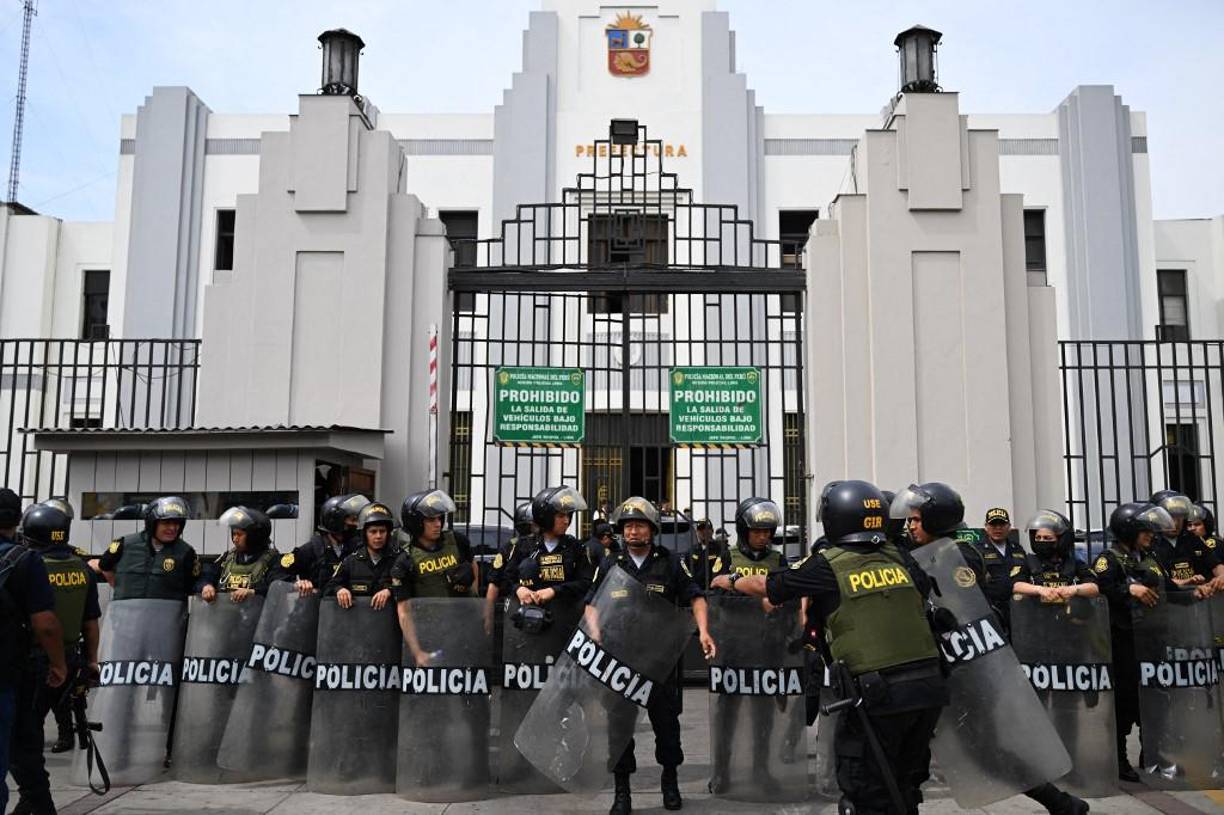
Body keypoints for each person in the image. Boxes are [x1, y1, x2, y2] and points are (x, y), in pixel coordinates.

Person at [714, 480, 947, 815]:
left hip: (878, 694)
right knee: (905, 784)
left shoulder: (829, 563)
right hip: (929, 689)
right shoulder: (900, 556)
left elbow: (768, 586)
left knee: (864, 792)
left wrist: (732, 580)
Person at [896, 484, 1089, 814]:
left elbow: (958, 605)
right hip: (938, 668)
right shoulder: (928, 553)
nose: (910, 526)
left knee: (987, 752)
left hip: (965, 672)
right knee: (914, 755)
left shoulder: (958, 555)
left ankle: (1061, 803)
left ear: (935, 519)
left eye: (916, 519)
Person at [590, 496, 715, 814]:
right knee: (619, 729)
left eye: (639, 525)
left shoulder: (670, 562)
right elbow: (592, 604)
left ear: (652, 529)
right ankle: (622, 792)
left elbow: (696, 597)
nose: (633, 531)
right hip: (620, 661)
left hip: (661, 662)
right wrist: (594, 632)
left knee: (667, 727)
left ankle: (670, 783)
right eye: (628, 526)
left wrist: (703, 631)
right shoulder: (611, 563)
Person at [9, 502, 100, 815]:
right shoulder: (83, 569)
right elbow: (91, 622)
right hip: (72, 660)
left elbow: (43, 624)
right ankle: (30, 802)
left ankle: (39, 802)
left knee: (24, 738)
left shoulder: (31, 566)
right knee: (31, 734)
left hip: (38, 661)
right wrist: (92, 661)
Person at [708, 497, 790, 795]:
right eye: (757, 531)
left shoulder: (778, 560)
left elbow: (786, 596)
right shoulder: (728, 557)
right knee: (727, 713)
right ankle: (722, 772)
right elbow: (714, 593)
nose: (763, 536)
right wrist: (756, 598)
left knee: (763, 714)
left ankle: (761, 770)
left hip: (766, 647)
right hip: (734, 645)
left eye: (767, 531)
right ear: (744, 531)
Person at [1094, 502, 1174, 782]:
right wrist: (1130, 589)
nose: (1151, 535)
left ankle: (1152, 752)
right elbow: (1102, 588)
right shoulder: (1109, 558)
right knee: (1125, 700)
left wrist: (1196, 590)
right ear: (1128, 531)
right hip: (1123, 640)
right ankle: (1118, 759)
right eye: (1145, 530)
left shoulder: (1150, 556)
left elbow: (1168, 586)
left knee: (1154, 698)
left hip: (1152, 638)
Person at [0, 489, 66, 815]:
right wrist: (59, 664)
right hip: (6, 674)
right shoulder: (24, 560)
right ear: (17, 520)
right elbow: (46, 624)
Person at [93, 496, 199, 601]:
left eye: (177, 523)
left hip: (167, 611)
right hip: (126, 611)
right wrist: (119, 588)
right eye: (166, 523)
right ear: (152, 523)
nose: (172, 528)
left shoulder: (186, 552)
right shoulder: (124, 544)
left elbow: (194, 583)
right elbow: (104, 565)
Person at [273, 493, 369, 596]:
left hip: (348, 604)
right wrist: (297, 584)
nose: (357, 524)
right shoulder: (311, 549)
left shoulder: (358, 547)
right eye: (353, 520)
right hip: (315, 604)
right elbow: (277, 572)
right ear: (336, 522)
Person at [514, 487, 592, 610]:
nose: (566, 521)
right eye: (561, 516)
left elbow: (585, 582)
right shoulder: (524, 545)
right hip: (530, 614)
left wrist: (554, 591)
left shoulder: (575, 547)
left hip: (565, 614)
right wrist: (519, 589)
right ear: (546, 517)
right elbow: (507, 578)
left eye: (568, 515)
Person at [392, 489, 476, 598]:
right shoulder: (407, 558)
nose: (438, 524)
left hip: (460, 608)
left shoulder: (457, 540)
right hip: (427, 609)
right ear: (416, 522)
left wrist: (474, 594)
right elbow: (404, 604)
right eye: (431, 520)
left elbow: (473, 563)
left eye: (439, 518)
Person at [325, 502, 400, 610]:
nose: (378, 536)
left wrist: (390, 591)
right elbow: (329, 587)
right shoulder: (350, 562)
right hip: (359, 618)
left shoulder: (398, 559)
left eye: (382, 531)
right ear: (364, 534)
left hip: (388, 618)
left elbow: (410, 586)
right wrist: (339, 589)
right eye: (373, 532)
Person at [1012, 510, 1100, 601]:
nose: (1042, 541)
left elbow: (1093, 587)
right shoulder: (1028, 561)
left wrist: (1073, 589)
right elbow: (1017, 586)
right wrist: (1040, 590)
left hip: (1068, 609)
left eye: (1047, 538)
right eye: (1038, 537)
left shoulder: (1073, 562)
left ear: (1060, 541)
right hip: (1036, 609)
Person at [200, 507, 280, 603]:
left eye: (239, 534)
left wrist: (253, 592)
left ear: (254, 536)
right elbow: (208, 574)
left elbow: (278, 588)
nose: (235, 539)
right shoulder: (227, 558)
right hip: (225, 611)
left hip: (257, 611)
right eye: (234, 534)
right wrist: (207, 586)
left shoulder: (272, 560)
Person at [1148, 493, 1224, 595]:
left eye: (1179, 517)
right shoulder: (1149, 543)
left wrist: (1221, 576)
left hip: (1199, 600)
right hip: (1167, 600)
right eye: (1170, 517)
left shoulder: (1192, 539)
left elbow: (1215, 564)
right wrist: (1186, 582)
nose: (1175, 523)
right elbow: (1157, 581)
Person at [968, 507, 1029, 633]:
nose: (998, 528)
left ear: (1009, 527)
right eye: (993, 525)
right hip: (990, 609)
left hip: (1017, 609)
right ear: (986, 527)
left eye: (1002, 524)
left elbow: (1025, 574)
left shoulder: (1017, 548)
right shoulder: (976, 550)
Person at [484, 501, 537, 634]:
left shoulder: (544, 544)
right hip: (515, 604)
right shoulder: (511, 547)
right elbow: (494, 583)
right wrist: (488, 617)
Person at [683, 517, 730, 590]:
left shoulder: (721, 549)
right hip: (696, 591)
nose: (703, 532)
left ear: (712, 531)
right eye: (700, 529)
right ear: (697, 532)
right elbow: (685, 572)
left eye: (706, 529)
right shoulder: (691, 551)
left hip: (715, 591)